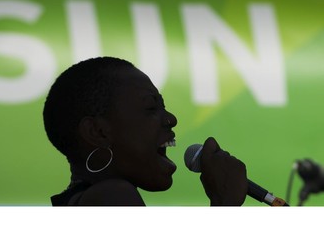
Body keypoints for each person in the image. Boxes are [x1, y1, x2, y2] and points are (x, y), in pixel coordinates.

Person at [43, 56, 248, 206]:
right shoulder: (112, 196)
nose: (171, 119)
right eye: (151, 108)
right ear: (98, 132)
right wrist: (224, 202)